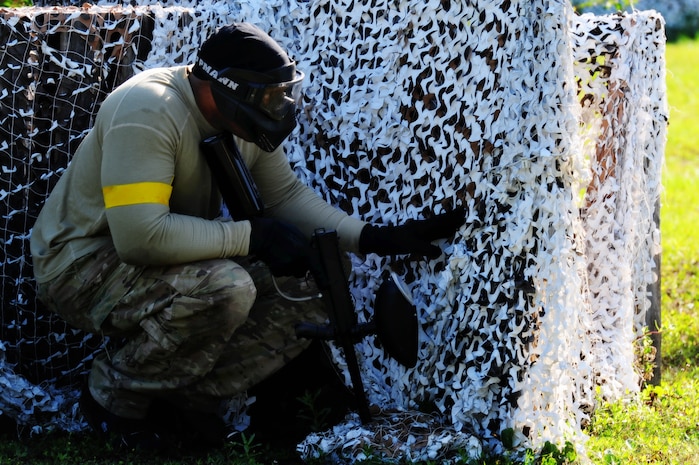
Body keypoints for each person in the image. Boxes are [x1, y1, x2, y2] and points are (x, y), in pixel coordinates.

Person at [30, 22, 465, 450]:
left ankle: (178, 400)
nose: (278, 107)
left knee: (318, 276)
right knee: (227, 287)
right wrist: (252, 239)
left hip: (154, 260)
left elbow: (285, 196)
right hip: (79, 264)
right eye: (268, 96)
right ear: (222, 87)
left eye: (282, 94)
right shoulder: (148, 109)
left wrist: (372, 238)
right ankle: (114, 395)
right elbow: (140, 236)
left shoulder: (237, 117)